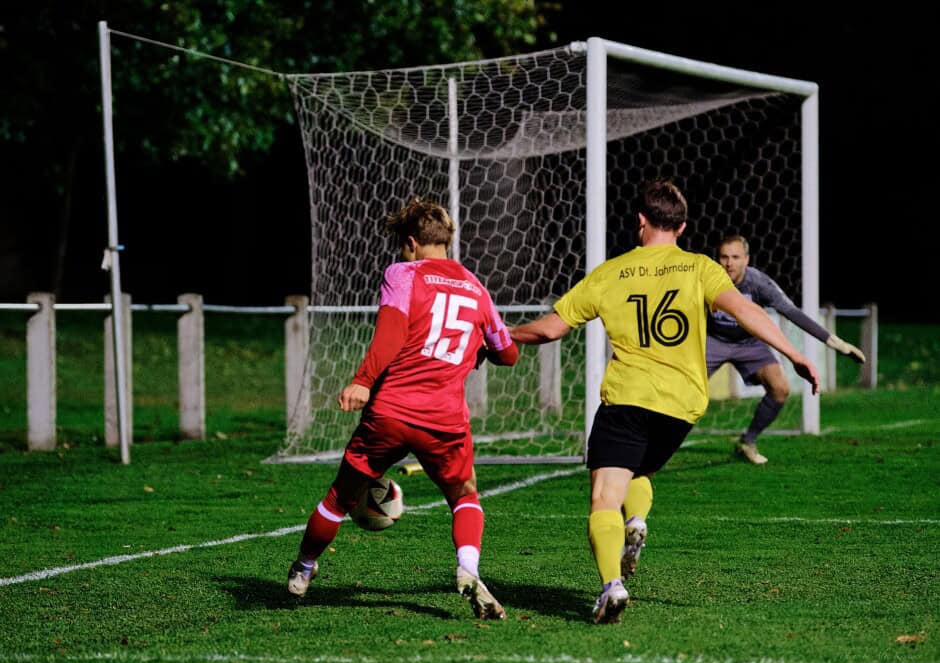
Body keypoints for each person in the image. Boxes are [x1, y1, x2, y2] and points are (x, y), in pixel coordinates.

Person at [508, 180, 819, 624]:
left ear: (640, 222)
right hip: (681, 408)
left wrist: (502, 335)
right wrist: (795, 355)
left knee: (603, 495)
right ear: (683, 226)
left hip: (628, 400)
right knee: (640, 470)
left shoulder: (611, 272)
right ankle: (636, 522)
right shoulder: (699, 268)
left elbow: (549, 330)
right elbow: (747, 312)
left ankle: (612, 585)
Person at [287, 198, 519, 620]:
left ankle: (303, 569)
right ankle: (468, 568)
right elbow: (509, 354)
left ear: (412, 243)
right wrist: (480, 348)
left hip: (391, 412)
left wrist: (362, 380)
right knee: (463, 495)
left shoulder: (403, 273)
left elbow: (391, 333)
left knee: (340, 496)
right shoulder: (476, 287)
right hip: (444, 421)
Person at [708, 235, 865, 465]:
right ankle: (656, 445)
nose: (729, 263)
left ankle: (747, 442)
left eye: (735, 257)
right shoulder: (708, 278)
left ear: (746, 259)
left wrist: (834, 342)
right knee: (686, 393)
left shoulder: (758, 283)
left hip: (751, 342)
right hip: (714, 340)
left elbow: (792, 313)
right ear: (717, 258)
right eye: (724, 257)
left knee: (780, 388)